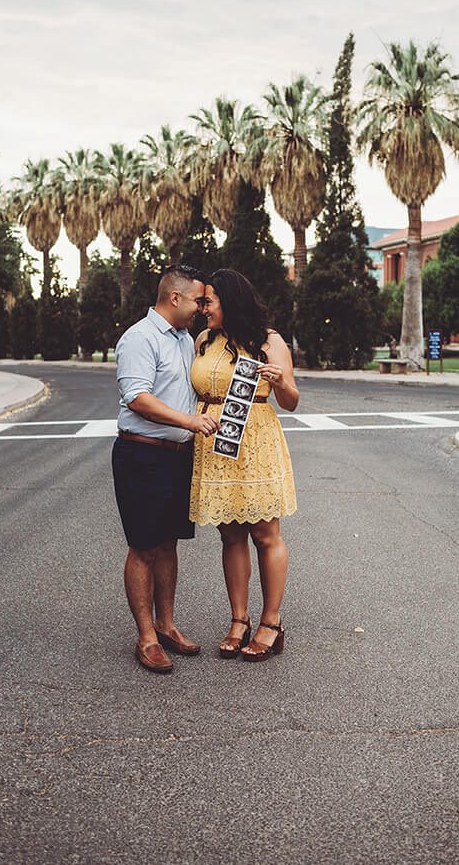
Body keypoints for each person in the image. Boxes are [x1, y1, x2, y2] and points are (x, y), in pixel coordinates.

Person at [191, 268, 300, 662]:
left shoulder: (269, 342)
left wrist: (280, 381)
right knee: (230, 536)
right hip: (215, 443)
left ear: (230, 301)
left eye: (208, 301)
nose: (202, 309)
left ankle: (271, 622)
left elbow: (291, 400)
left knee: (265, 533)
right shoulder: (204, 341)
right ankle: (239, 620)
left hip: (255, 440)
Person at [113, 264, 218, 674]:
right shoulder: (139, 338)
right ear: (174, 298)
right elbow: (137, 397)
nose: (201, 307)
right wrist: (189, 422)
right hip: (142, 455)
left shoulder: (185, 339)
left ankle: (167, 625)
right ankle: (146, 637)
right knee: (143, 546)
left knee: (169, 542)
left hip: (177, 457)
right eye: (197, 300)